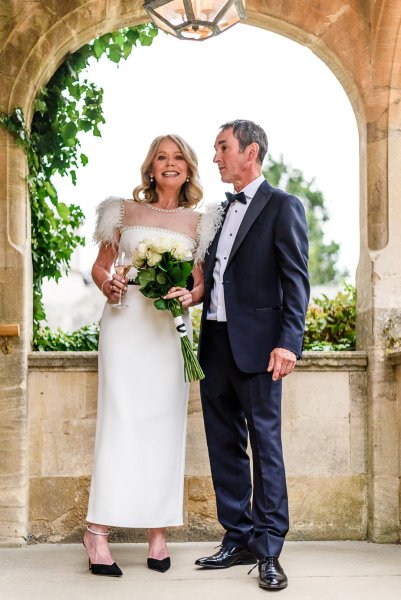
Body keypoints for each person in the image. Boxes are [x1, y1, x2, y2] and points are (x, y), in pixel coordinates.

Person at [83, 134, 218, 576]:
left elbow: (200, 284)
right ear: (151, 167)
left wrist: (190, 294)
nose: (170, 163)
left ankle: (157, 534)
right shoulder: (123, 211)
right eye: (162, 157)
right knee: (117, 423)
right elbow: (101, 267)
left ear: (188, 168)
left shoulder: (199, 222)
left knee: (165, 426)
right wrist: (110, 284)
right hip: (125, 325)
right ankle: (97, 533)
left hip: (168, 332)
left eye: (178, 157)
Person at [195, 120, 310, 591]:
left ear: (251, 151)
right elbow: (215, 278)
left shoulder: (283, 207)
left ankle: (268, 550)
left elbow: (296, 279)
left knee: (265, 448)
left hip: (261, 348)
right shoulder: (218, 213)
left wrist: (289, 341)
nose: (217, 157)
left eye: (223, 148)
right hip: (215, 344)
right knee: (223, 444)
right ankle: (237, 535)